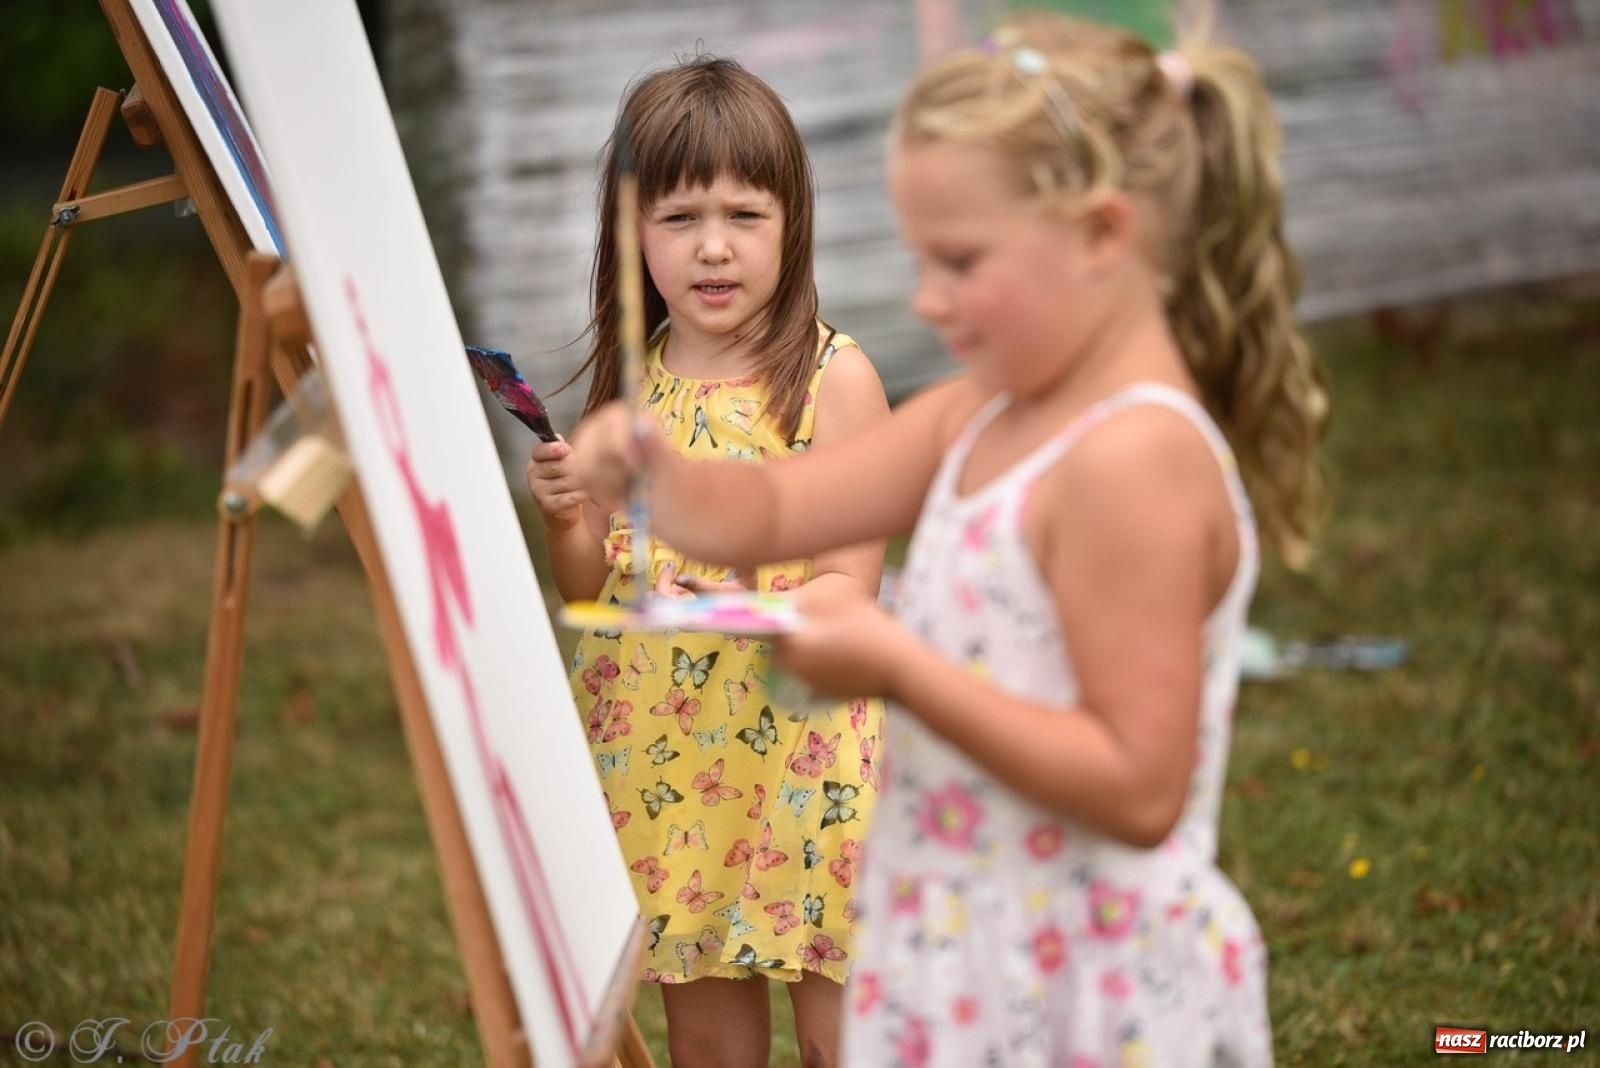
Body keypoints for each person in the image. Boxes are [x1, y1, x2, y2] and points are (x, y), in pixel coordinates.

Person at [567, 13, 1329, 1066]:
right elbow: (780, 511)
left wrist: (898, 669)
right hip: (962, 938)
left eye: (960, 260)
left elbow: (1138, 786)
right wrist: (660, 478)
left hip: (1083, 977)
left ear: (1102, 235)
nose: (926, 298)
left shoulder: (1134, 463)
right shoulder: (978, 412)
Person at [525, 55, 890, 1068]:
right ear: (632, 234)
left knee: (843, 1034)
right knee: (710, 1039)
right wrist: (565, 519)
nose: (713, 248)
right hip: (674, 765)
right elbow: (588, 585)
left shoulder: (832, 380)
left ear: (792, 223)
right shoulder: (625, 403)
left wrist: (732, 600)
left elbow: (847, 580)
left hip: (807, 761)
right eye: (679, 218)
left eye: (744, 215)